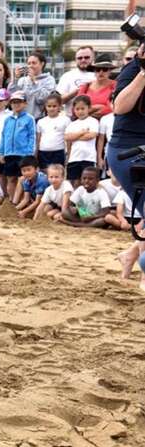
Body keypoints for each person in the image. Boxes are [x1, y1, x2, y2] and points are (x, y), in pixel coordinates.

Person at [107, 42, 145, 283]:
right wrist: (144, 72)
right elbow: (119, 107)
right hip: (127, 151)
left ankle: (130, 255)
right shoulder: (132, 70)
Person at [0, 91, 36, 200]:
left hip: (23, 154)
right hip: (9, 154)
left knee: (23, 179)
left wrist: (29, 153)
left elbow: (32, 136)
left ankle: (22, 200)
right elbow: (3, 136)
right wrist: (2, 152)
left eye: (19, 102)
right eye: (14, 102)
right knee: (11, 178)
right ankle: (12, 200)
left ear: (25, 103)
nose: (16, 104)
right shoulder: (7, 120)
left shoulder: (29, 119)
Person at [8, 52, 55, 119]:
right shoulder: (23, 80)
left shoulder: (49, 80)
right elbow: (11, 95)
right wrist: (16, 79)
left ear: (42, 64)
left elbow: (42, 99)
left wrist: (34, 82)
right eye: (29, 63)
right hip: (21, 118)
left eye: (34, 63)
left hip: (39, 119)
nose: (31, 66)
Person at [65, 95, 99, 187]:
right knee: (74, 182)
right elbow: (67, 137)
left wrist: (74, 136)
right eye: (77, 109)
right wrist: (81, 132)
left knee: (87, 182)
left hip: (88, 157)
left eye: (82, 108)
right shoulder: (72, 124)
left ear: (89, 108)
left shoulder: (93, 121)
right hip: (74, 157)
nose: (80, 111)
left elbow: (91, 136)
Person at [36, 93, 70, 170]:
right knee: (45, 173)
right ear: (45, 107)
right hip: (43, 152)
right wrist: (36, 154)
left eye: (54, 106)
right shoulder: (41, 121)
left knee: (57, 173)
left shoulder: (65, 120)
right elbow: (38, 140)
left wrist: (68, 153)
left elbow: (68, 139)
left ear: (60, 107)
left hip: (59, 152)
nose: (51, 108)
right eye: (49, 106)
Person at [57, 46, 96, 113]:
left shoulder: (99, 75)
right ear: (75, 59)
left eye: (86, 57)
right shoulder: (67, 76)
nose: (83, 60)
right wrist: (76, 92)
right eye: (79, 58)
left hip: (94, 116)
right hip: (71, 117)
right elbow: (58, 101)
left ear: (93, 58)